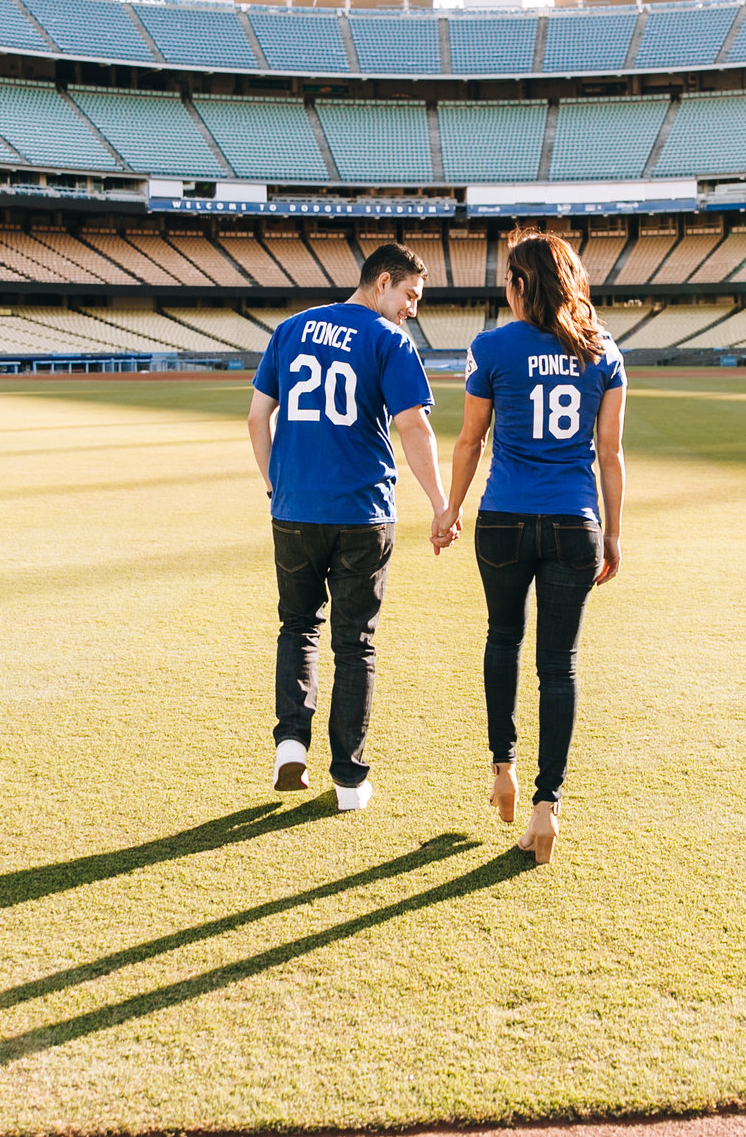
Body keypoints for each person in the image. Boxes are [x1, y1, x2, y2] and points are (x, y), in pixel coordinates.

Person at [436, 230, 625, 865]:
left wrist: (451, 509)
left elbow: (469, 441)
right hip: (575, 521)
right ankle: (548, 807)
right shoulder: (603, 350)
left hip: (505, 518)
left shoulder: (490, 346)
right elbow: (611, 455)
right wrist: (615, 533)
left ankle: (502, 768)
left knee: (501, 639)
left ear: (520, 285)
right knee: (560, 666)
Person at [247, 243, 452, 812]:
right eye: (409, 295)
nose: (412, 308)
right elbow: (413, 427)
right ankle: (349, 781)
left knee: (297, 627)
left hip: (293, 510)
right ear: (382, 282)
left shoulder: (289, 330)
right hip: (363, 513)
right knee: (355, 644)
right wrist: (440, 503)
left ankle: (291, 742)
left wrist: (273, 483)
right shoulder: (390, 341)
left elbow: (257, 415)